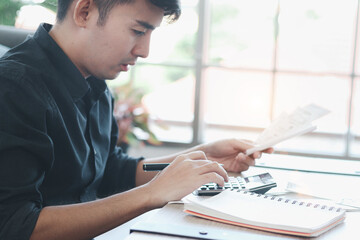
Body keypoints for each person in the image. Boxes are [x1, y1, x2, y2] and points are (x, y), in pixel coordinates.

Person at [0, 0, 273, 239]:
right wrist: (150, 195)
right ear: (84, 11)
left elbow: (110, 171)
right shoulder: (13, 87)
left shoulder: (94, 84)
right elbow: (15, 226)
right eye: (138, 31)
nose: (144, 51)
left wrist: (201, 156)